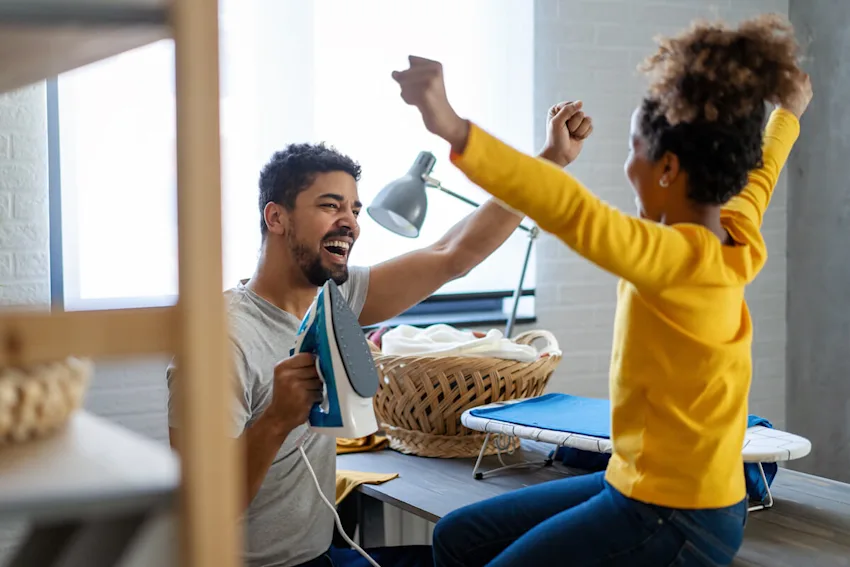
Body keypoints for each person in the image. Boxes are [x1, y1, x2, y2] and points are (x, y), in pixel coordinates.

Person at [391, 13, 812, 567]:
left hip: (677, 514)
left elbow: (566, 208)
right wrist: (787, 115)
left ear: (666, 168)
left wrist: (450, 124)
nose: (626, 164)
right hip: (638, 485)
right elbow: (765, 171)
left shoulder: (669, 259)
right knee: (458, 537)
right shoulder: (735, 229)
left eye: (632, 149)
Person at [165, 107, 593, 565]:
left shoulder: (335, 299)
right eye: (330, 205)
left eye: (354, 209)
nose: (350, 221)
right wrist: (275, 420)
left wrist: (550, 160)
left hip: (321, 556)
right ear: (276, 218)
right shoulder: (219, 342)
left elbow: (452, 254)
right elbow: (198, 510)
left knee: (471, 546)